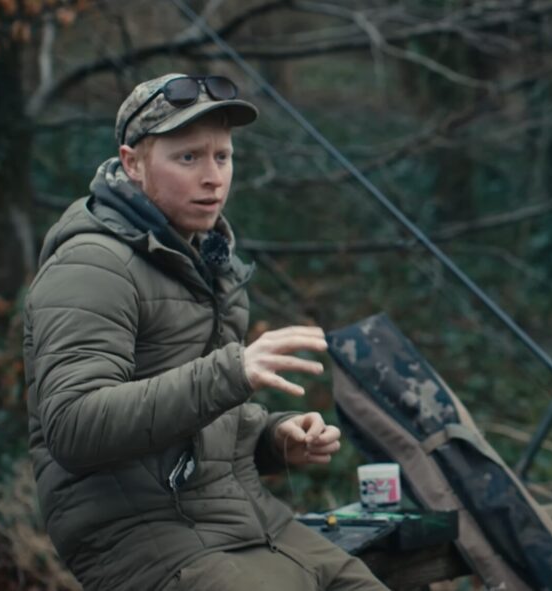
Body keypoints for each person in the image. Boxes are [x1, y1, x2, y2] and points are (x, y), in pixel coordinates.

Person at [22, 73, 387, 591]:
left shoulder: (211, 263)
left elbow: (197, 421)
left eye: (222, 156)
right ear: (132, 163)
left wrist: (273, 438)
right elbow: (74, 427)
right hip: (143, 536)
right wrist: (231, 372)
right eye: (188, 157)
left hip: (248, 519)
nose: (213, 177)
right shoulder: (90, 266)